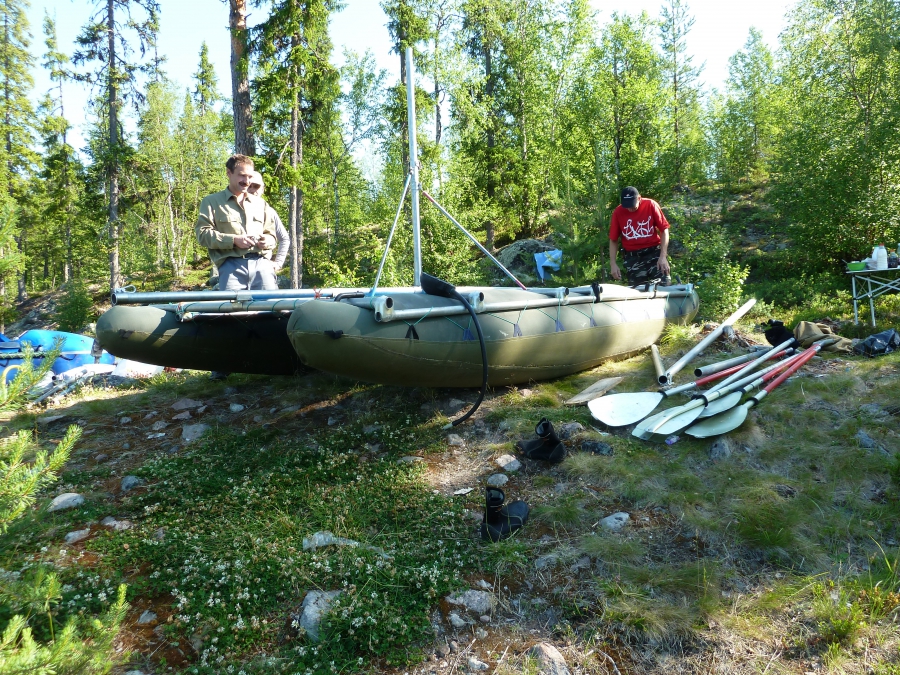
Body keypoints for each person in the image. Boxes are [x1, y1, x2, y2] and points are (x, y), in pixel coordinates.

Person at [195, 154, 278, 291]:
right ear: (229, 173)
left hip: (262, 265)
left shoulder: (261, 203)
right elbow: (202, 235)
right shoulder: (211, 202)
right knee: (231, 311)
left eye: (250, 177)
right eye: (242, 175)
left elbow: (272, 236)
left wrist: (266, 241)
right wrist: (233, 240)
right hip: (230, 267)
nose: (247, 181)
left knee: (273, 309)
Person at [608, 186, 672, 286]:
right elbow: (613, 239)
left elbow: (664, 230)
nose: (630, 209)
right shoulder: (618, 212)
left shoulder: (650, 205)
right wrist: (613, 263)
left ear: (639, 198)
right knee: (637, 292)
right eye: (627, 206)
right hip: (633, 258)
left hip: (654, 254)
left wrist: (663, 257)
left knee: (664, 286)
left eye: (633, 205)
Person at [247, 171, 290, 274]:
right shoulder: (231, 209)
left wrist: (278, 263)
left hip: (262, 264)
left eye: (256, 186)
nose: (252, 190)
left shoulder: (269, 211)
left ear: (262, 189)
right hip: (235, 265)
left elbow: (284, 238)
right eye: (249, 186)